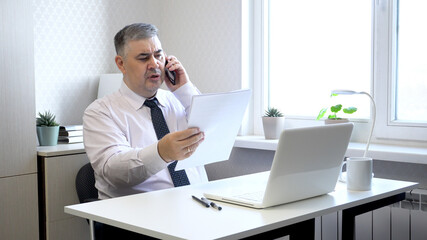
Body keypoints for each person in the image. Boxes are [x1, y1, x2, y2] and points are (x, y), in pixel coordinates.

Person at [83, 22, 207, 199]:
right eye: (143, 58)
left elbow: (213, 134)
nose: (155, 64)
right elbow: (113, 171)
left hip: (198, 204)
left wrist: (185, 88)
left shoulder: (178, 99)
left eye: (158, 55)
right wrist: (161, 152)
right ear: (121, 64)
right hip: (138, 217)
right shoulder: (100, 112)